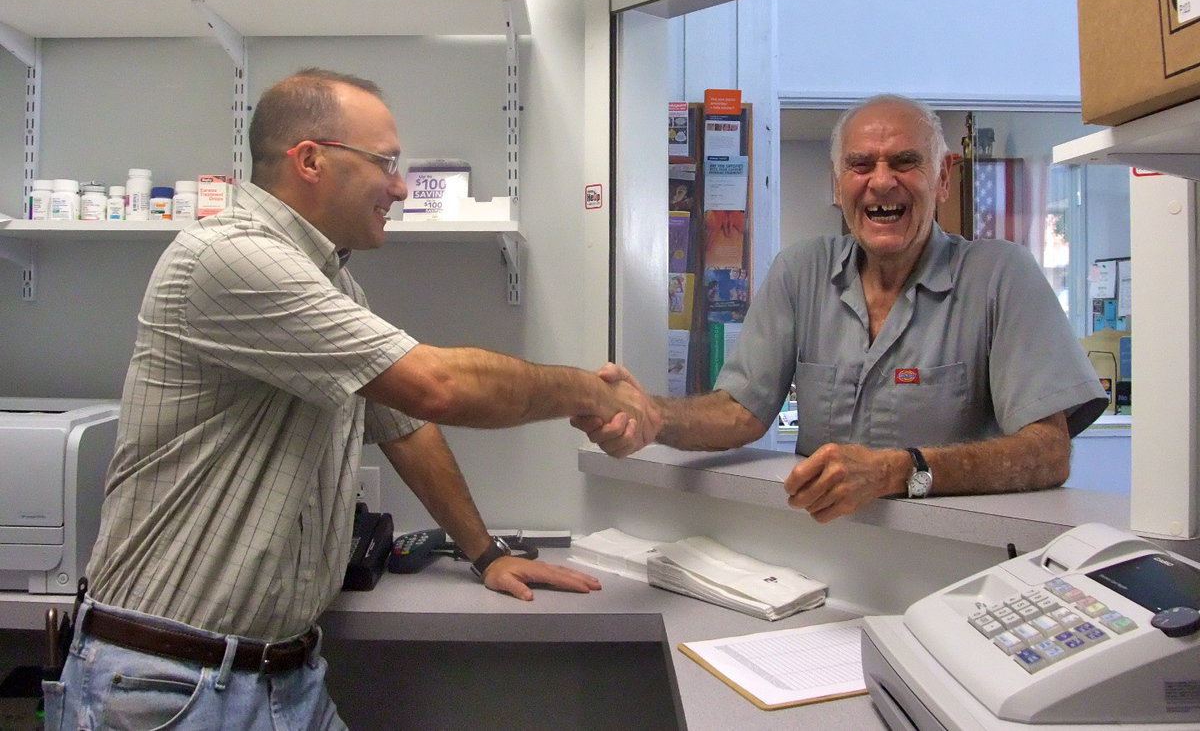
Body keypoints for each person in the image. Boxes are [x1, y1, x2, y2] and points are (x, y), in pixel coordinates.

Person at [48, 69, 658, 730]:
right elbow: (437, 386)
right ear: (310, 159)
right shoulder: (229, 258)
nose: (399, 186)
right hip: (171, 686)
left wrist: (485, 552)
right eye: (386, 163)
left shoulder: (330, 286)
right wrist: (592, 393)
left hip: (286, 678)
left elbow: (406, 427)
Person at [579, 94, 1107, 524]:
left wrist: (900, 471)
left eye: (905, 162)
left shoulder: (1001, 276)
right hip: (825, 555)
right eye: (860, 164)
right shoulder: (800, 271)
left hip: (957, 564)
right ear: (838, 183)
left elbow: (1046, 452)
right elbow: (740, 411)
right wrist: (653, 415)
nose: (881, 181)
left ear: (944, 177)